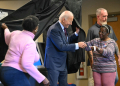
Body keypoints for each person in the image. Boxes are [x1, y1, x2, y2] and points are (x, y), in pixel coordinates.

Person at [0, 15, 49, 86]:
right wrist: (43, 79)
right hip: (15, 73)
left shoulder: (15, 33)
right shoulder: (30, 42)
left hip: (4, 71)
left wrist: (6, 29)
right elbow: (26, 64)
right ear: (36, 28)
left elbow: (7, 38)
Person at [44, 10, 87, 86]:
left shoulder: (63, 28)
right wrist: (77, 45)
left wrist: (76, 33)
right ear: (64, 19)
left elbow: (66, 41)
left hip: (62, 63)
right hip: (53, 64)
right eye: (70, 21)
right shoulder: (54, 29)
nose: (71, 24)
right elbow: (61, 46)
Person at [86, 8, 118, 85]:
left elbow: (114, 44)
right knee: (94, 83)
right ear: (98, 17)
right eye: (104, 16)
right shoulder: (92, 30)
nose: (106, 18)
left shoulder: (110, 29)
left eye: (106, 16)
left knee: (115, 78)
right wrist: (92, 61)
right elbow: (88, 47)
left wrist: (119, 56)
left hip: (108, 63)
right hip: (96, 63)